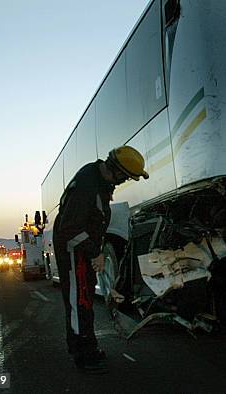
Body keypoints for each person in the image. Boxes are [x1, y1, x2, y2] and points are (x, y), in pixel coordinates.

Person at [53, 146, 148, 373]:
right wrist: (94, 252)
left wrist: (98, 251)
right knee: (79, 303)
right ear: (116, 170)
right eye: (125, 176)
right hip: (73, 251)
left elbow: (94, 221)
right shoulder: (88, 183)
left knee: (85, 302)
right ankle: (83, 356)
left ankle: (89, 347)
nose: (124, 181)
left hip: (84, 250)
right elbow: (69, 227)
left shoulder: (100, 181)